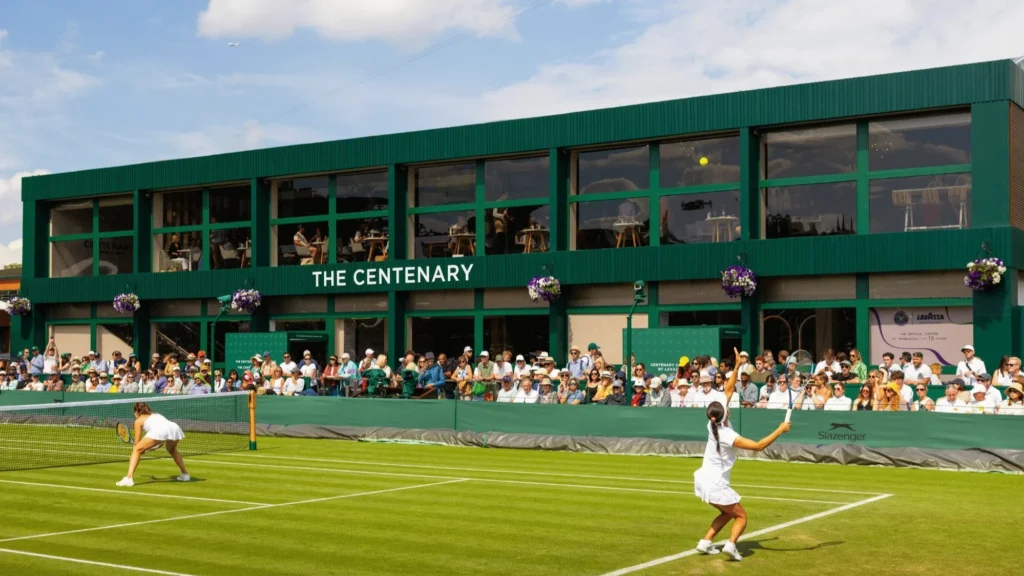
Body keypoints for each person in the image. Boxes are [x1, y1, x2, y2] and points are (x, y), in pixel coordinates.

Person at [693, 370, 791, 561]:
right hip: (716, 485)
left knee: (727, 512)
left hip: (703, 480)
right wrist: (780, 430)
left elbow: (728, 389)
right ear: (725, 413)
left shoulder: (711, 424)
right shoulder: (728, 435)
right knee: (741, 516)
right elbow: (758, 446)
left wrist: (737, 366)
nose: (727, 404)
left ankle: (705, 542)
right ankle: (730, 545)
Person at [116, 402, 190, 487]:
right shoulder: (156, 414)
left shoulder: (138, 421)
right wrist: (146, 448)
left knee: (136, 450)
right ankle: (185, 475)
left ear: (136, 412)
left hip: (161, 430)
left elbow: (137, 444)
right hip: (174, 428)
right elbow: (162, 437)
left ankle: (129, 478)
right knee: (172, 449)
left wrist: (138, 448)